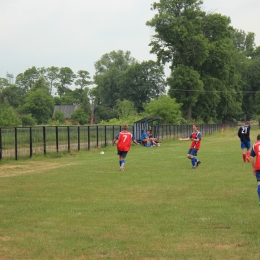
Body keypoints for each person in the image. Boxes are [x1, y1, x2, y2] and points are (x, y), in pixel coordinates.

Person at [250, 134, 260, 206]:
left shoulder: (255, 144)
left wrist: (253, 167)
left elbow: (251, 157)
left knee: (259, 183)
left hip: (258, 166)